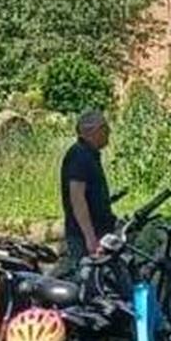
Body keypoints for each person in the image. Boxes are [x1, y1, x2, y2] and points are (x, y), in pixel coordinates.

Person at [61, 109, 117, 263]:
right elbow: (77, 198)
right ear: (93, 131)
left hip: (100, 230)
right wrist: (90, 237)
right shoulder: (80, 155)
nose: (109, 132)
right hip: (84, 235)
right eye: (105, 128)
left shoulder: (90, 154)